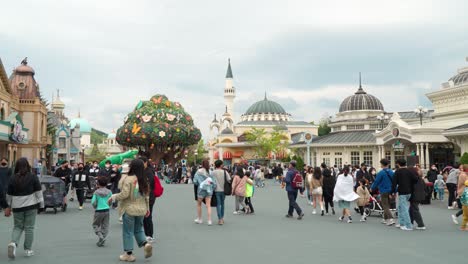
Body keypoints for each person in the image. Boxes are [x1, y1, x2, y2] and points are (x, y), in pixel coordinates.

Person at [109, 159, 152, 262]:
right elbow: (147, 196)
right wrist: (147, 209)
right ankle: (146, 244)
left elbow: (124, 194)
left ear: (131, 167)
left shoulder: (128, 179)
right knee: (138, 229)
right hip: (141, 209)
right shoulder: (144, 179)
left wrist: (113, 197)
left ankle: (128, 254)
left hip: (129, 209)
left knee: (127, 232)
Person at [5, 158, 44, 259]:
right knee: (29, 228)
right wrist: (41, 205)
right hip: (31, 206)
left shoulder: (12, 178)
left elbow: (9, 195)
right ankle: (28, 249)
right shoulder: (33, 177)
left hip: (17, 207)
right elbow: (38, 192)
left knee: (17, 226)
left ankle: (13, 243)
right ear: (27, 165)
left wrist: (8, 206)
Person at [392, 159, 418, 231]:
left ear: (398, 164)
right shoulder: (409, 171)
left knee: (403, 209)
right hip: (409, 191)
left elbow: (394, 183)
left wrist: (393, 192)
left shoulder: (398, 171)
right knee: (400, 207)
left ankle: (408, 225)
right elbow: (416, 179)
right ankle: (401, 223)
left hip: (402, 192)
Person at [371, 159, 395, 225]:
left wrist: (372, 188)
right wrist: (394, 191)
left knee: (385, 206)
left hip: (383, 190)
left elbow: (376, 181)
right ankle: (385, 218)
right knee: (388, 205)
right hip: (391, 190)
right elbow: (394, 182)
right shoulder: (391, 172)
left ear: (382, 164)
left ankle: (390, 219)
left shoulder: (381, 173)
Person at [194, 160, 217, 225]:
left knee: (199, 204)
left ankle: (199, 219)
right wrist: (213, 187)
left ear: (202, 164)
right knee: (208, 205)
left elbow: (195, 181)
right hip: (209, 189)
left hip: (201, 190)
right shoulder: (211, 172)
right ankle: (209, 220)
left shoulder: (198, 172)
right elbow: (214, 182)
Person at [91, 176, 112, 247]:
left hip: (98, 211)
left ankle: (100, 236)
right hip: (107, 210)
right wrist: (108, 205)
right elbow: (111, 200)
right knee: (105, 225)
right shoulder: (109, 192)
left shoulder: (96, 192)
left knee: (95, 224)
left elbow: (93, 202)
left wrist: (95, 206)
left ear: (98, 184)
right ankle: (103, 237)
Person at [140, 157, 156, 243]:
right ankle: (147, 234)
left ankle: (150, 235)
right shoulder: (144, 171)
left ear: (146, 163)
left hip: (149, 197)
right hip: (145, 196)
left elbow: (150, 185)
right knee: (145, 215)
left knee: (148, 216)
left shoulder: (149, 172)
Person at [210, 160, 231, 225]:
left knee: (218, 205)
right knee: (222, 204)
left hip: (216, 190)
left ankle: (220, 219)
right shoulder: (225, 172)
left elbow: (210, 181)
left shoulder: (213, 172)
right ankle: (222, 218)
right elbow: (229, 180)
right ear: (221, 165)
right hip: (223, 190)